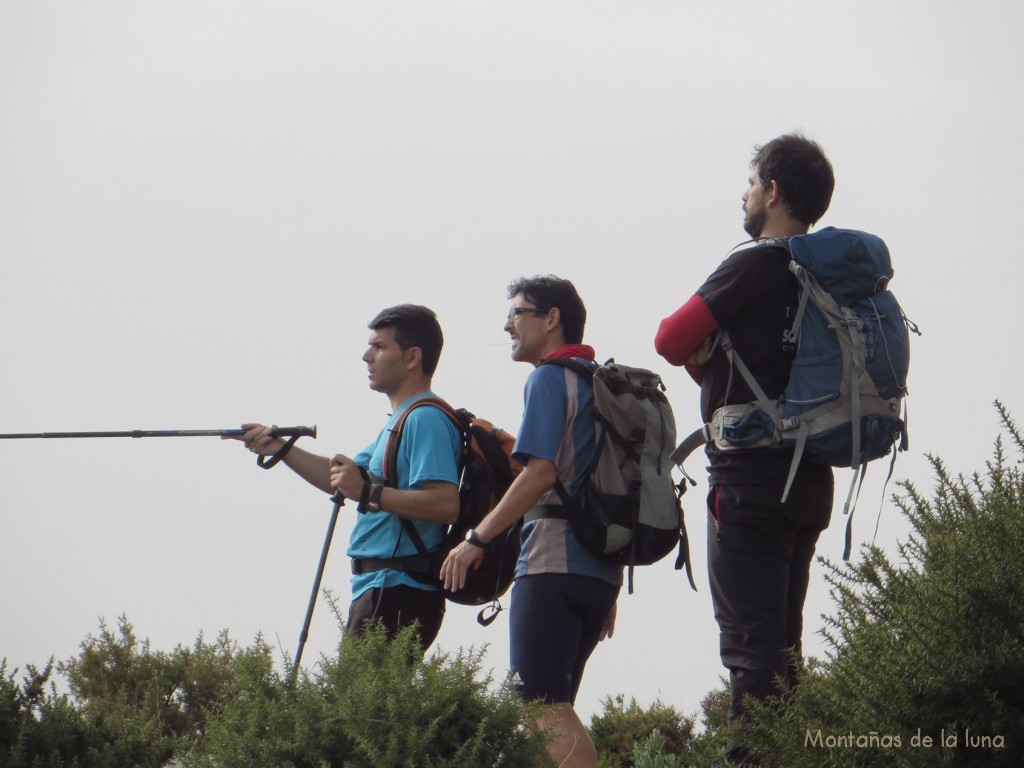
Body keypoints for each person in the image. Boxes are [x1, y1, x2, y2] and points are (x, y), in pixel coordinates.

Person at [654, 135, 837, 764]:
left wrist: (708, 364)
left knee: (751, 653)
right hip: (809, 477)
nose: (746, 192)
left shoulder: (754, 263)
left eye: (752, 181)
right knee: (783, 648)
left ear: (774, 191)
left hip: (751, 481)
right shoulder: (825, 270)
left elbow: (669, 337)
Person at [440, 275, 621, 768]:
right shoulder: (601, 382)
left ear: (551, 319)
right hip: (600, 573)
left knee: (541, 709)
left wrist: (477, 538)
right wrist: (612, 578)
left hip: (550, 565)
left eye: (517, 313)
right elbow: (613, 485)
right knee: (548, 723)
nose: (507, 324)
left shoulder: (548, 377)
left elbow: (539, 472)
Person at [229, 304, 460, 650]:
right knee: (365, 702)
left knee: (362, 703)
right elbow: (342, 479)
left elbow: (445, 504)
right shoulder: (399, 421)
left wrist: (369, 493)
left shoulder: (424, 419)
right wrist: (280, 448)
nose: (366, 356)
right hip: (383, 588)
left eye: (380, 347)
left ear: (412, 357)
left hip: (397, 589)